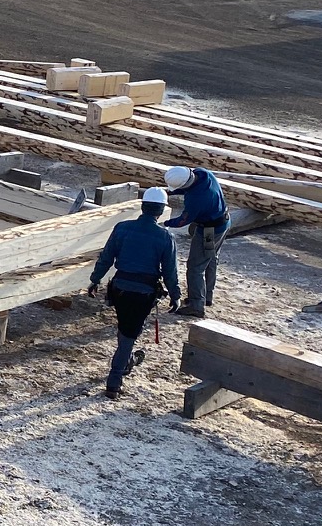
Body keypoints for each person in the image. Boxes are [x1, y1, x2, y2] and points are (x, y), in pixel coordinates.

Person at [87, 187, 181, 399]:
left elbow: (106, 257)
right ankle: (114, 381)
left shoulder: (122, 228)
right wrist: (175, 295)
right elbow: (170, 271)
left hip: (119, 289)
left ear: (143, 206)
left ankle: (127, 361)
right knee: (129, 335)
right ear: (161, 211)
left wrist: (95, 280)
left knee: (125, 328)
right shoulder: (165, 237)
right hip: (143, 293)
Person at [163, 165, 228, 318]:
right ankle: (206, 296)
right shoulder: (203, 173)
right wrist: (170, 191)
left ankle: (196, 305)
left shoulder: (196, 199)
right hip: (221, 222)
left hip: (209, 231)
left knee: (195, 267)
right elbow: (187, 187)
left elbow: (182, 221)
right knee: (210, 258)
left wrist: (164, 222)